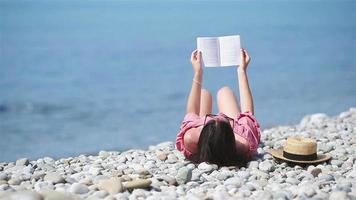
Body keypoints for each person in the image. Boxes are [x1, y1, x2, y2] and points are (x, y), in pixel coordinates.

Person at [175, 48, 261, 167]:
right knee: (224, 91)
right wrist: (242, 71)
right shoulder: (243, 143)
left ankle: (214, 124)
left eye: (210, 119)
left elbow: (191, 111)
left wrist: (198, 72)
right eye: (224, 119)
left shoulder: (191, 139)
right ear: (232, 137)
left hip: (215, 134)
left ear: (202, 136)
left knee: (204, 93)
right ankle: (220, 123)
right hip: (223, 134)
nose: (218, 115)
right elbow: (248, 113)